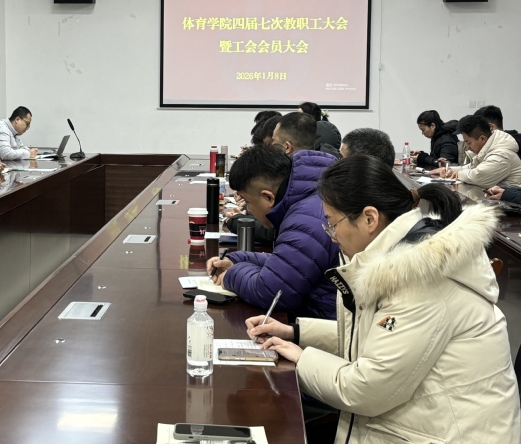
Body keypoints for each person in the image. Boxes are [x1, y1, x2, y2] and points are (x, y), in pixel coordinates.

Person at [248, 154, 521, 443]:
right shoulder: (402, 255)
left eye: (332, 224)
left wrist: (302, 359)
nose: (331, 236)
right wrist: (297, 332)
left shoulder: (421, 278)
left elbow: (364, 390)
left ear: (369, 218)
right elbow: (376, 336)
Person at [206, 144, 339, 319]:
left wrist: (231, 275)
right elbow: (290, 263)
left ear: (268, 197)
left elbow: (271, 292)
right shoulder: (308, 200)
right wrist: (238, 259)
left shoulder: (306, 220)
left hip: (327, 326)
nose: (248, 210)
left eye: (248, 202)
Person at [431, 114, 521, 188]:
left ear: (482, 139)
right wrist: (450, 170)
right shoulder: (489, 148)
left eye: (468, 142)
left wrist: (458, 174)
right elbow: (472, 167)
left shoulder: (501, 155)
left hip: (509, 203)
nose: (467, 147)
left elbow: (477, 176)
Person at [272, 112, 338, 160]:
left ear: (287, 147)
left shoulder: (280, 174)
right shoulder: (334, 169)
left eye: (274, 140)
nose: (272, 144)